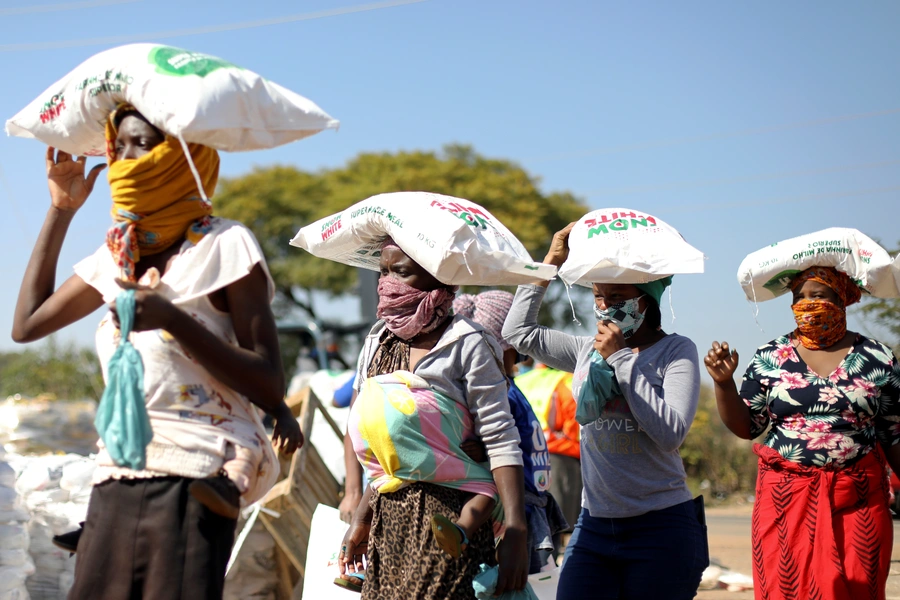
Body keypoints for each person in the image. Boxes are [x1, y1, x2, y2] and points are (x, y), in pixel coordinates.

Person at [12, 105, 299, 598]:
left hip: (199, 473)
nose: (126, 159)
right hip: (119, 470)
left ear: (184, 156)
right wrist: (61, 210)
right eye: (118, 146)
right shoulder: (117, 255)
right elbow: (28, 324)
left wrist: (172, 320)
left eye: (143, 144)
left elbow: (269, 379)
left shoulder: (224, 245)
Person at [502, 223, 708, 600]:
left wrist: (620, 360)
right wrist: (550, 262)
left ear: (646, 298)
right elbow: (517, 333)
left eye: (618, 295)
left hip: (661, 526)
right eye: (598, 296)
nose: (605, 305)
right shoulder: (585, 350)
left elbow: (670, 434)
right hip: (594, 525)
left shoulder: (677, 352)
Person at [338, 239, 528, 598]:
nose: (387, 283)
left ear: (438, 278)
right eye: (383, 271)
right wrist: (362, 519)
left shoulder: (467, 341)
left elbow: (501, 437)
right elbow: (384, 449)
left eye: (402, 272)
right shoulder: (378, 340)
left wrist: (518, 529)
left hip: (450, 523)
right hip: (387, 521)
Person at [706, 265, 900, 600]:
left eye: (818, 295)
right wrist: (723, 385)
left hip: (859, 501)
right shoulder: (771, 356)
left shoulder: (876, 357)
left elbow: (893, 432)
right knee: (787, 588)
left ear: (841, 300)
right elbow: (747, 426)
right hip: (785, 499)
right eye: (799, 297)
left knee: (858, 588)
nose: (807, 304)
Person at [453, 291, 568, 574]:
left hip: (535, 504)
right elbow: (492, 440)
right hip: (519, 508)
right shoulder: (497, 390)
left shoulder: (511, 384)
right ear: (504, 342)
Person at [515, 362, 581, 556]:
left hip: (522, 457)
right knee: (555, 524)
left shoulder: (521, 380)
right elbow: (576, 427)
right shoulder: (564, 382)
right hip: (560, 459)